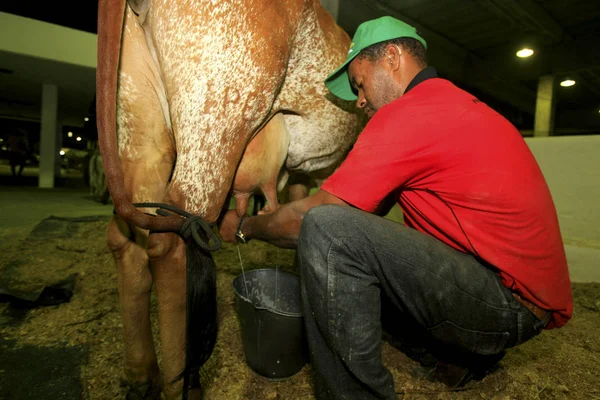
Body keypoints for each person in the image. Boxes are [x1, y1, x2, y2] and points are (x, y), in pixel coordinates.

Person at [219, 15, 572, 400]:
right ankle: (456, 354)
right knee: (348, 244)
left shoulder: (411, 113)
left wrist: (246, 227)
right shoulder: (446, 103)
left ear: (391, 57)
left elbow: (314, 221)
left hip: (503, 306)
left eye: (360, 83)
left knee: (327, 229)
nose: (361, 100)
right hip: (509, 299)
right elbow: (365, 220)